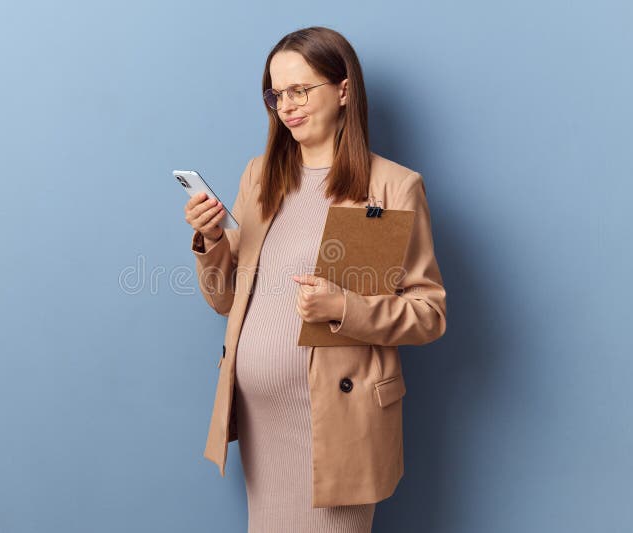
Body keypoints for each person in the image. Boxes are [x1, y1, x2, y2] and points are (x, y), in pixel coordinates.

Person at [184, 26, 447, 532]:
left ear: (344, 90)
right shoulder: (260, 178)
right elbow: (225, 300)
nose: (286, 106)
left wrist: (345, 308)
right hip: (262, 420)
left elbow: (429, 312)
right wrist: (213, 240)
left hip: (336, 423)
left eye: (300, 89)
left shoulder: (392, 185)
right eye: (276, 94)